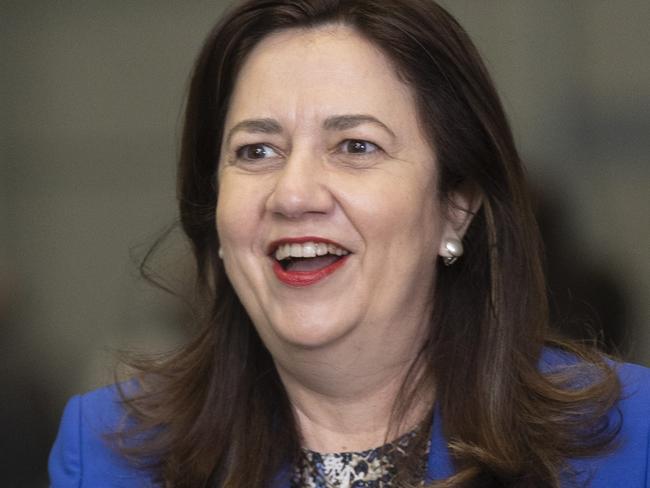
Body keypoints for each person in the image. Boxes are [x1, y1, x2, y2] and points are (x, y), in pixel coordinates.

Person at [48, 0, 650, 486]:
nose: (293, 193)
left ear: (455, 206)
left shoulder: (629, 438)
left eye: (355, 146)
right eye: (257, 151)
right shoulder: (110, 454)